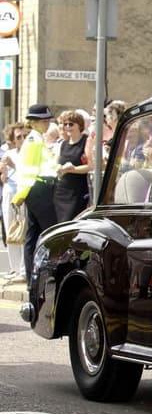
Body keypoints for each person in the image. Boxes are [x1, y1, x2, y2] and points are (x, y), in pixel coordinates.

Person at [13, 104, 60, 286]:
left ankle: (33, 276)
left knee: (33, 235)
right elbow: (29, 172)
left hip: (36, 190)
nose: (47, 123)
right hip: (38, 190)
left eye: (48, 120)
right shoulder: (34, 142)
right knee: (50, 231)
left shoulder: (36, 139)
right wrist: (22, 195)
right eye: (43, 121)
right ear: (33, 122)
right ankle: (47, 274)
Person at [0, 122, 29, 282]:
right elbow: (3, 178)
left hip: (22, 193)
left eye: (24, 136)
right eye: (19, 137)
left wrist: (14, 165)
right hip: (9, 192)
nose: (22, 139)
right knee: (10, 228)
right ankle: (14, 267)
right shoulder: (8, 153)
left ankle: (23, 270)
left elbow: (26, 171)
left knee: (23, 230)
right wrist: (3, 171)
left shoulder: (26, 154)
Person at [53, 111, 90, 223]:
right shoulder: (62, 144)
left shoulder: (86, 141)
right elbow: (55, 163)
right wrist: (59, 167)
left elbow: (91, 166)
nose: (68, 127)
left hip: (77, 192)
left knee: (71, 223)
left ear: (79, 125)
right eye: (65, 124)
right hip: (61, 191)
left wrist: (72, 169)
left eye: (71, 124)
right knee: (60, 225)